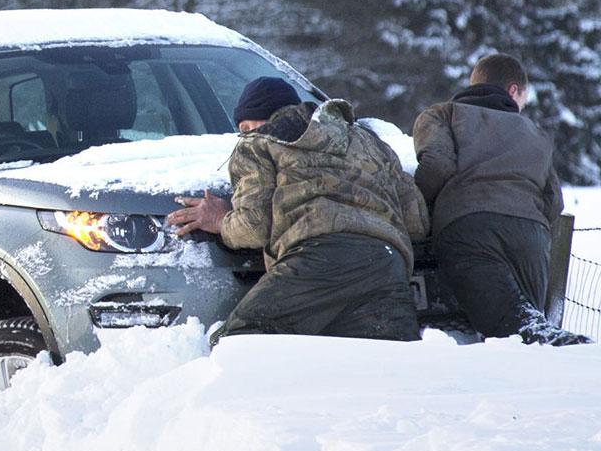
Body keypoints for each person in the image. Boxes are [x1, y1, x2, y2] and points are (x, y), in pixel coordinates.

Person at [170, 76, 429, 340]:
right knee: (387, 366)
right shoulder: (371, 143)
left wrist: (220, 219)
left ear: (264, 118)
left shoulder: (259, 143)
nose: (245, 132)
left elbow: (253, 228)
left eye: (247, 125)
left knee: (240, 342)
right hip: (389, 265)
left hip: (318, 259)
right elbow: (417, 222)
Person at [413, 52, 564, 339]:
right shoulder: (535, 132)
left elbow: (437, 164)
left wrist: (419, 210)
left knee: (517, 334)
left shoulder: (443, 114)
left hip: (467, 228)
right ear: (512, 90)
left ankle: (574, 356)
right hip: (531, 236)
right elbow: (554, 200)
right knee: (527, 333)